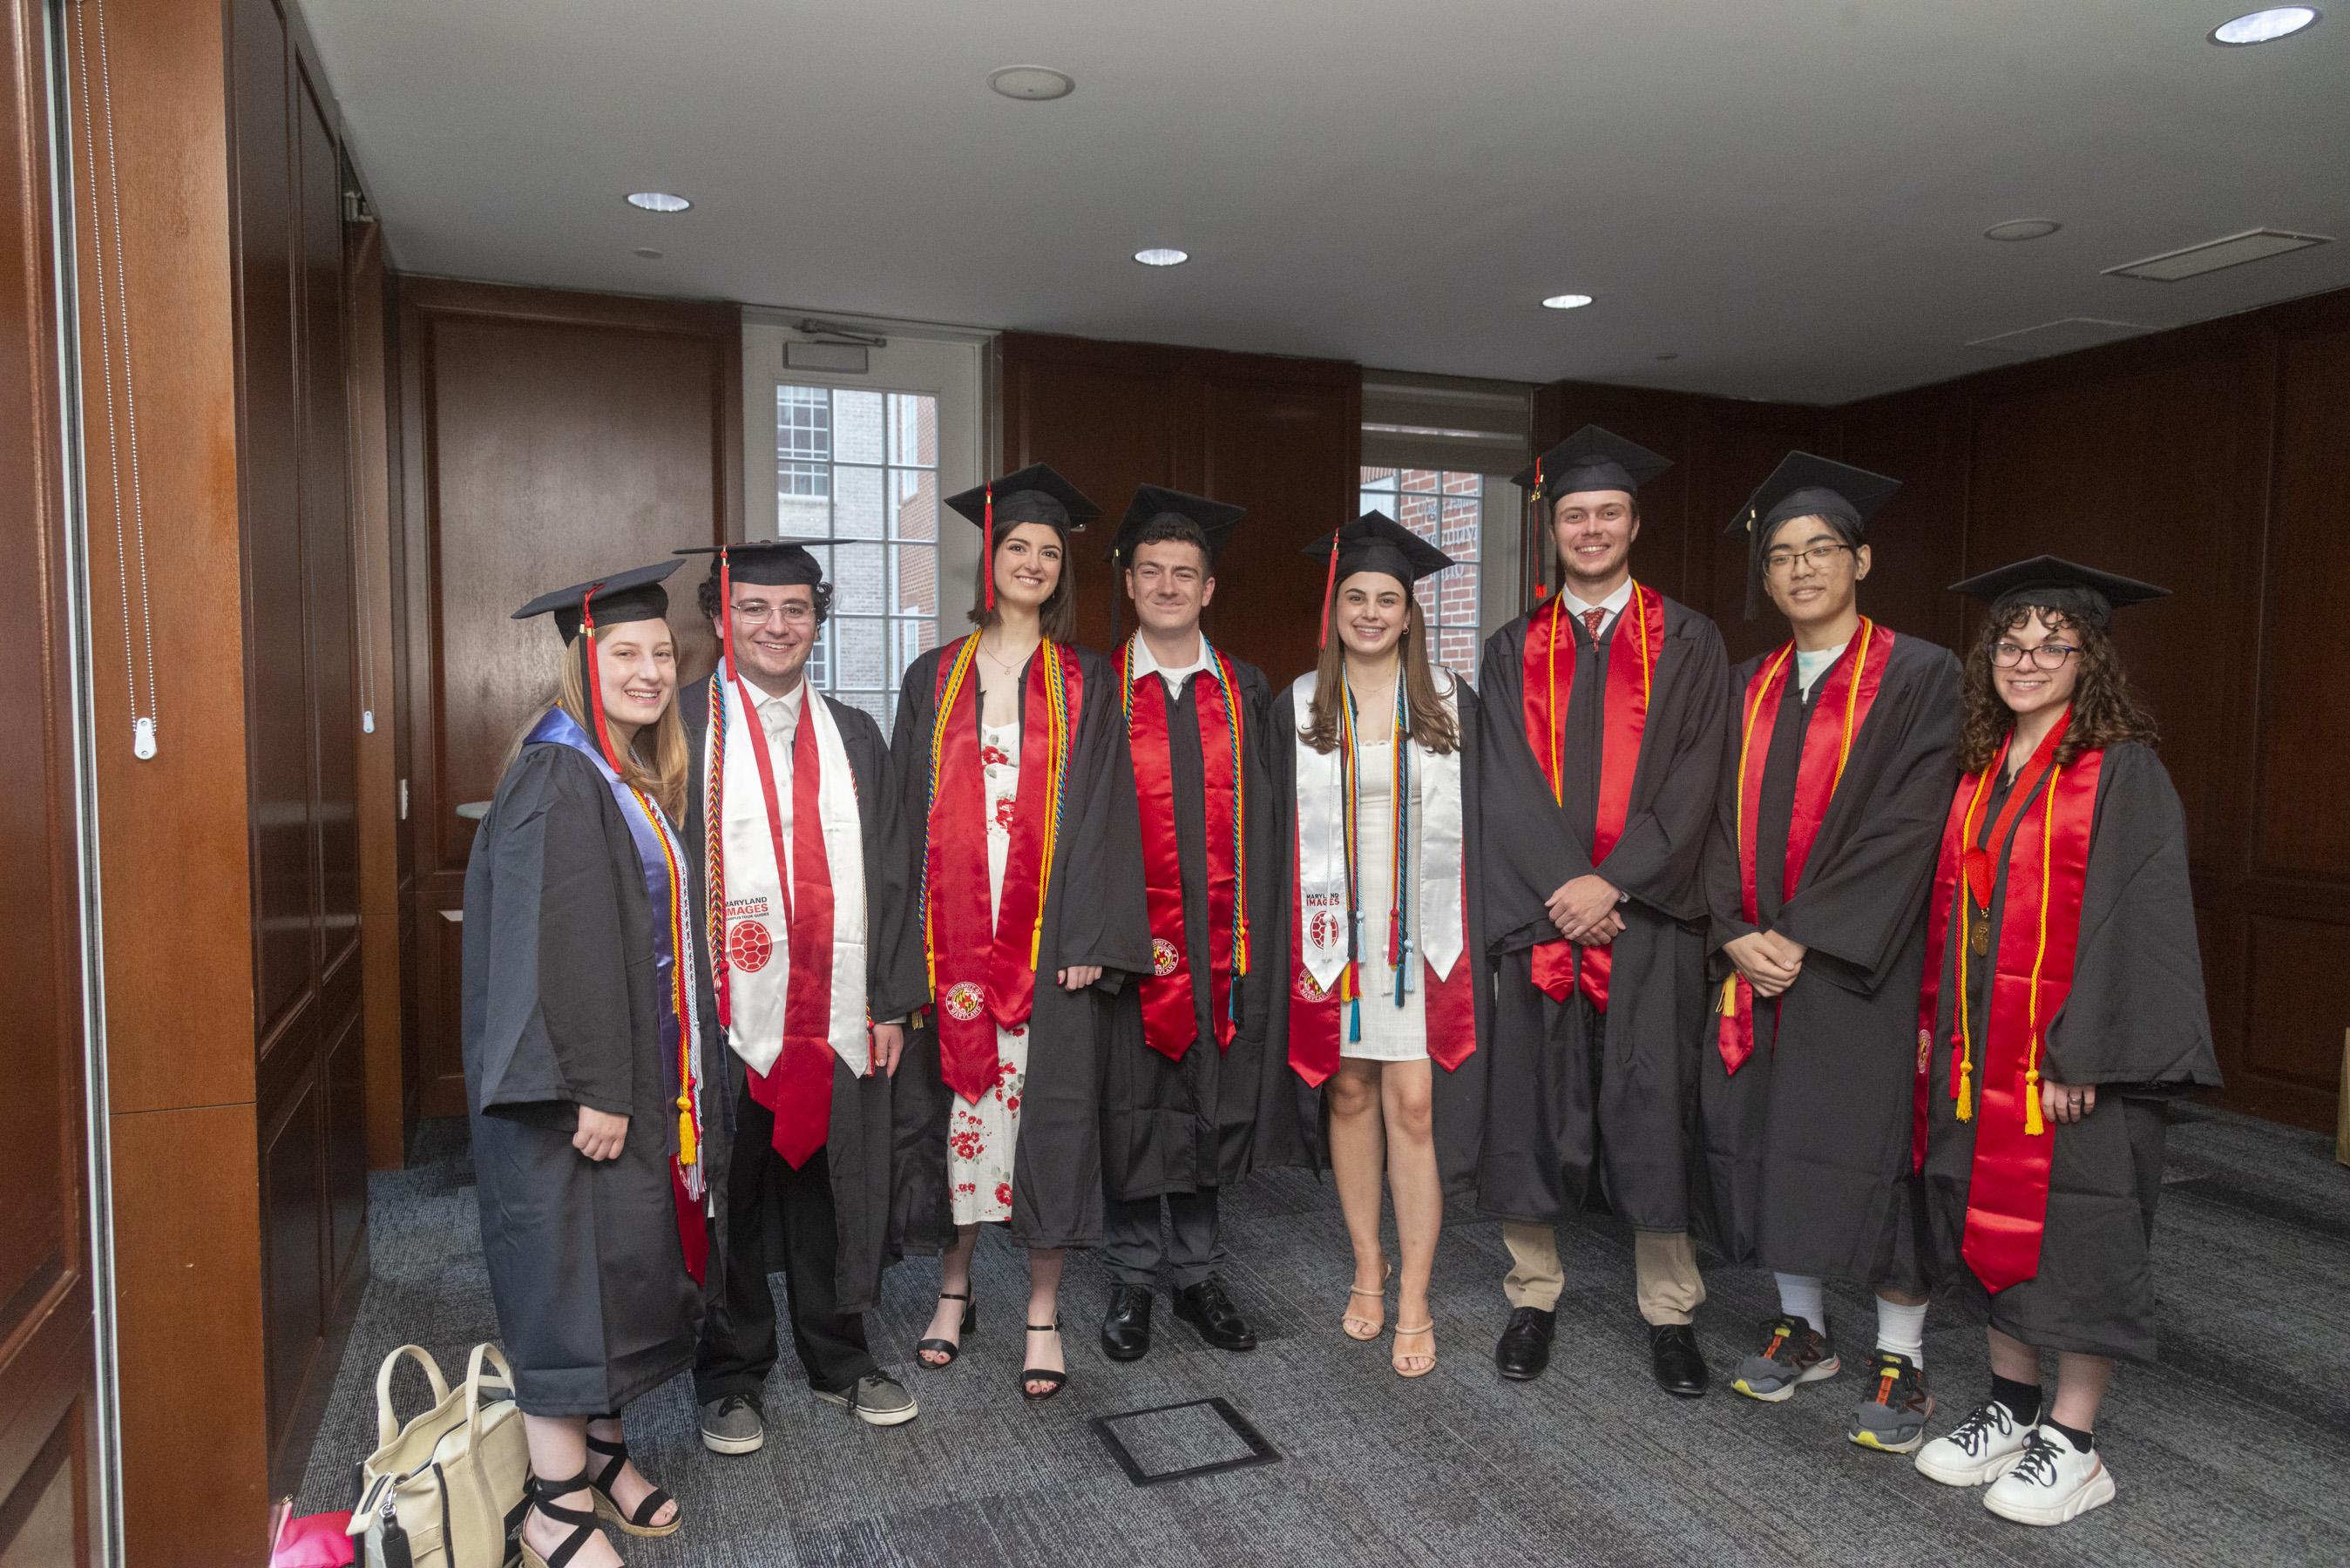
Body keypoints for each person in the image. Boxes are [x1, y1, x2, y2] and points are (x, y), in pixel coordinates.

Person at [1909, 557, 2218, 1526]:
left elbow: (2140, 922)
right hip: (1979, 1054)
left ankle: (2075, 1444)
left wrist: (2082, 1051)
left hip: (2070, 1066)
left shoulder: (2121, 768)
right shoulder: (1982, 766)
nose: (2029, 660)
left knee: (2080, 1234)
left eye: (2054, 645)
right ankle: (2011, 1406)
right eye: (2013, 643)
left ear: (2091, 660)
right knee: (1988, 1225)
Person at [1693, 454, 1961, 1451]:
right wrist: (1734, 930)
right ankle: (1803, 1329)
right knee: (1767, 1141)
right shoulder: (1746, 683)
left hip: (1861, 968)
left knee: (1877, 1151)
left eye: (1820, 550)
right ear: (1765, 579)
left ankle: (1904, 1359)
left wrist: (1803, 934)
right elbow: (1709, 823)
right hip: (1753, 963)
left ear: (1862, 560)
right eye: (1782, 556)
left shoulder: (1923, 673)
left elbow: (1910, 823)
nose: (1801, 569)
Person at [463, 560, 712, 1568]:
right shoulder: (560, 772)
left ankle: (605, 1453)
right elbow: (553, 952)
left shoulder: (619, 770)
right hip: (567, 1095)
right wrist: (600, 1090)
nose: (650, 673)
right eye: (626, 655)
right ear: (583, 660)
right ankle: (554, 1503)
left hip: (616, 1080)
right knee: (564, 1281)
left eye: (661, 654)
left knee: (614, 1265)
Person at [1475, 426, 1729, 1396]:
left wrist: (1614, 883)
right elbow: (1504, 785)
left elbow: (1698, 782)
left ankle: (1671, 1314)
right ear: (1553, 526)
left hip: (1649, 923)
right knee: (1533, 1110)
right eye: (1575, 514)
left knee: (1655, 1108)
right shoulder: (1512, 648)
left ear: (1634, 521)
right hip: (1545, 923)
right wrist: (1568, 894)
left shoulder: (1692, 640)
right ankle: (1532, 1295)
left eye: (1608, 513)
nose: (1591, 528)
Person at [890, 463, 1151, 1400]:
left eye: (1049, 550)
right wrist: (902, 954)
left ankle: (1041, 1310)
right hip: (953, 943)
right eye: (1017, 547)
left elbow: (1113, 816)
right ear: (989, 559)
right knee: (958, 1117)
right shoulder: (934, 676)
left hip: (1047, 947)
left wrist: (1090, 936)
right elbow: (900, 821)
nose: (1033, 561)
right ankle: (953, 1291)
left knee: (1052, 1124)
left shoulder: (1086, 682)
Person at [674, 540, 929, 1454]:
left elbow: (898, 873)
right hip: (722, 1011)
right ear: (718, 618)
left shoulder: (854, 733)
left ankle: (840, 1357)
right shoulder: (681, 732)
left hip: (838, 1007)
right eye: (754, 609)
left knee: (833, 1183)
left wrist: (894, 1000)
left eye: (795, 610)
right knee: (731, 1188)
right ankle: (731, 1370)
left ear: (816, 621)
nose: (776, 626)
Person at [1261, 510, 1490, 1379]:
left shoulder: (1452, 706)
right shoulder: (1298, 706)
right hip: (1333, 932)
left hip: (1422, 933)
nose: (1369, 611)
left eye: (1385, 598)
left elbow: (1481, 833)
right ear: (1337, 610)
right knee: (1348, 1096)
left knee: (1416, 1107)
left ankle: (1418, 1294)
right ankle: (1367, 1265)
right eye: (1354, 595)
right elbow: (1281, 834)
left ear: (1409, 614)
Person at [1096, 486, 1277, 1363]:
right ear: (1129, 583)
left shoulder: (1245, 689)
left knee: (1212, 1102)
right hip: (1128, 947)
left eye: (1186, 574)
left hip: (1222, 942)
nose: (1169, 586)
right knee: (1131, 1108)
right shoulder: (1094, 691)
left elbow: (1273, 823)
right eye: (1153, 571)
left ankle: (1200, 1272)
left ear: (1209, 589)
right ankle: (1134, 1280)